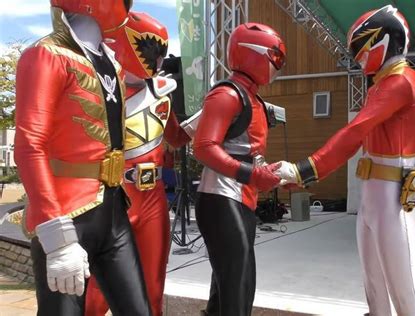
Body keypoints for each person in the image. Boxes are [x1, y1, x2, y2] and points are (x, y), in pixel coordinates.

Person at [276, 5, 415, 316]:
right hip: (374, 194)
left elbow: (355, 131)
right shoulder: (384, 83)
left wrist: (306, 169)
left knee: (405, 295)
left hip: (392, 197)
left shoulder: (402, 80)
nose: (357, 56)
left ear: (382, 41)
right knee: (375, 291)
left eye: (361, 47)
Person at [14, 1, 153, 315]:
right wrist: (57, 237)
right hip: (66, 212)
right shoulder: (46, 56)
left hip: (113, 209)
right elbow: (29, 146)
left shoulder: (110, 64)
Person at [84, 11, 191, 316]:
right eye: (154, 51)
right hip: (117, 196)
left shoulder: (162, 92)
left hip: (154, 197)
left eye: (162, 53)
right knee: (98, 292)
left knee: (153, 287)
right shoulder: (99, 91)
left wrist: (203, 126)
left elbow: (176, 136)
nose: (158, 60)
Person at [193, 23, 286, 316]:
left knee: (228, 286)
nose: (277, 65)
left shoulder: (249, 97)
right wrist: (254, 174)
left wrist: (269, 173)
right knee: (239, 285)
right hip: (222, 197)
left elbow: (245, 153)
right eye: (276, 57)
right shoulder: (228, 95)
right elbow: (204, 147)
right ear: (256, 53)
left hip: (239, 198)